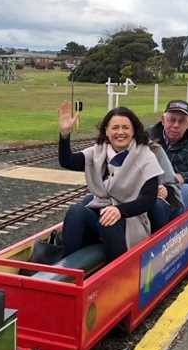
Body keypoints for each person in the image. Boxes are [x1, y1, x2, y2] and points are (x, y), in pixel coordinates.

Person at [57, 101, 163, 261]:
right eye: (115, 127)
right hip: (101, 210)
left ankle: (117, 272)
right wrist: (64, 135)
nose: (120, 132)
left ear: (134, 130)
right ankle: (67, 270)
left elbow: (148, 200)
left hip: (129, 218)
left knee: (109, 221)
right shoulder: (98, 151)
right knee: (75, 211)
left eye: (125, 127)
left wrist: (119, 210)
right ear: (106, 131)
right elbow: (68, 161)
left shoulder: (145, 157)